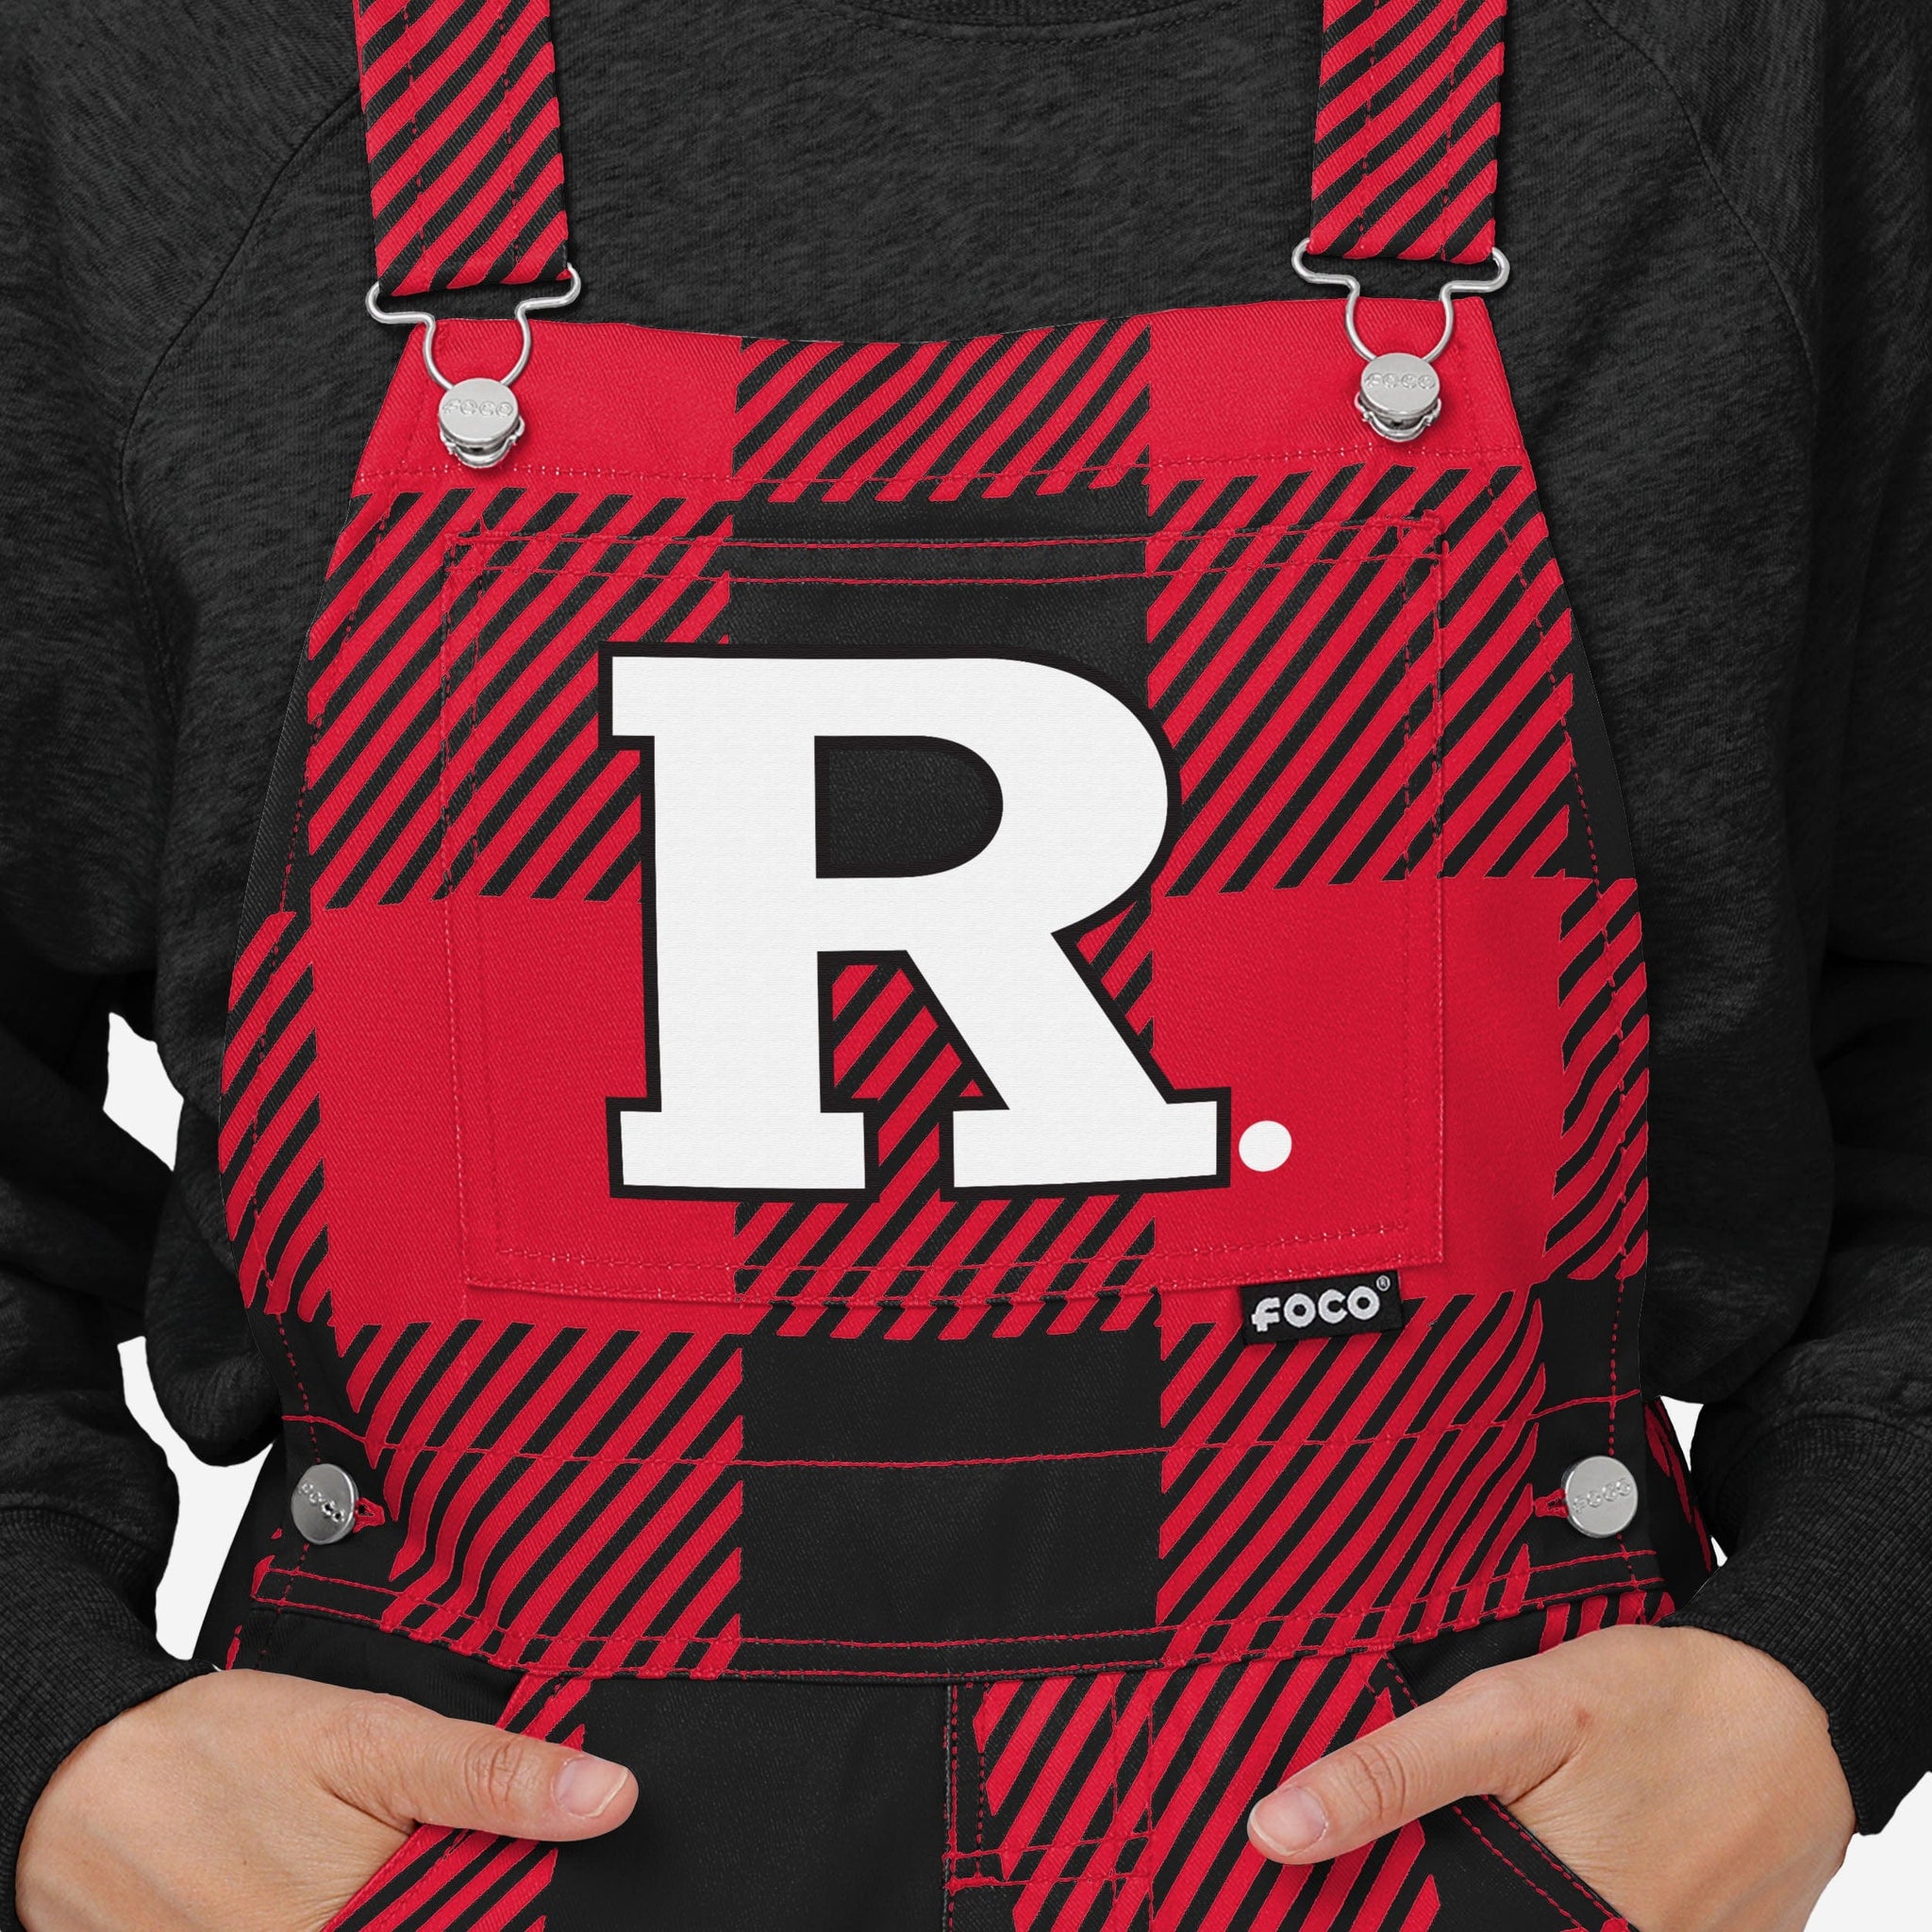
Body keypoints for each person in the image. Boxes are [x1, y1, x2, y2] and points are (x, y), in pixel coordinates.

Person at [0, 1, 1925, 1928]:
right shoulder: (153, 67)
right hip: (444, 1868)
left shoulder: (1731, 56)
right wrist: (54, 1735)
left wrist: (1835, 1646)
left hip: (1442, 1865)